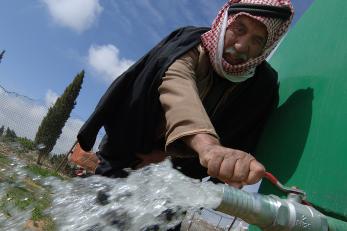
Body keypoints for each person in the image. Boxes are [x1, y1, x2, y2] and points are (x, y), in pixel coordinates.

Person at [73, 0, 294, 187]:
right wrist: (208, 147)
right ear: (225, 23)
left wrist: (167, 159)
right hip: (128, 151)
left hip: (178, 177)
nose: (241, 46)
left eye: (257, 40)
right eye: (239, 29)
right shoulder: (189, 45)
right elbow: (177, 85)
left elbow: (241, 134)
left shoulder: (260, 86)